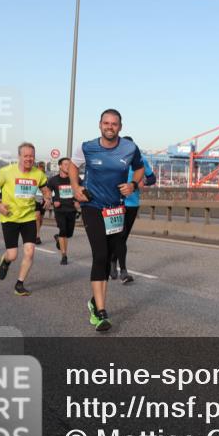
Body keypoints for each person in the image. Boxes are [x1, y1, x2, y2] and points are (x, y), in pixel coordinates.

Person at [68, 109, 144, 332]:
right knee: (100, 255)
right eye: (106, 123)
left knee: (109, 255)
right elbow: (73, 165)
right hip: (92, 206)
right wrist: (75, 187)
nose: (110, 127)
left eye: (114, 124)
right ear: (100, 125)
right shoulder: (87, 147)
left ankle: (94, 301)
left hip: (116, 210)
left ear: (120, 126)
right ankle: (101, 312)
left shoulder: (130, 148)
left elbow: (139, 168)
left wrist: (134, 185)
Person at [0, 143, 51, 297]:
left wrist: (47, 197)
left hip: (29, 217)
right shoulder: (6, 171)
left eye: (32, 156)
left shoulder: (38, 174)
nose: (29, 159)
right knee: (13, 254)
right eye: (26, 156)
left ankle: (19, 284)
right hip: (9, 217)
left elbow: (44, 188)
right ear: (19, 156)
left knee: (29, 252)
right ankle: (6, 261)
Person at [109, 136, 156, 283]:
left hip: (133, 204)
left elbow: (152, 178)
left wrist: (144, 181)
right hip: (115, 203)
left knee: (123, 237)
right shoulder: (114, 159)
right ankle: (123, 271)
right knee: (119, 236)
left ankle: (113, 261)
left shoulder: (140, 161)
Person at [46, 157, 81, 266]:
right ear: (60, 166)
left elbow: (82, 189)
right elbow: (47, 192)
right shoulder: (53, 180)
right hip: (60, 209)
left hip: (72, 209)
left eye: (69, 164)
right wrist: (52, 200)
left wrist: (77, 200)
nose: (68, 166)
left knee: (68, 233)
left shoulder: (75, 178)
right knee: (63, 230)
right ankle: (64, 255)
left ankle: (58, 238)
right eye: (65, 164)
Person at [33, 161, 47, 244]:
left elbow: (48, 189)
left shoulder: (46, 178)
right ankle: (37, 236)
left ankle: (36, 231)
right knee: (37, 217)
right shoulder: (33, 177)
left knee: (41, 220)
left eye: (42, 169)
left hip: (43, 199)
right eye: (39, 169)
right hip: (35, 199)